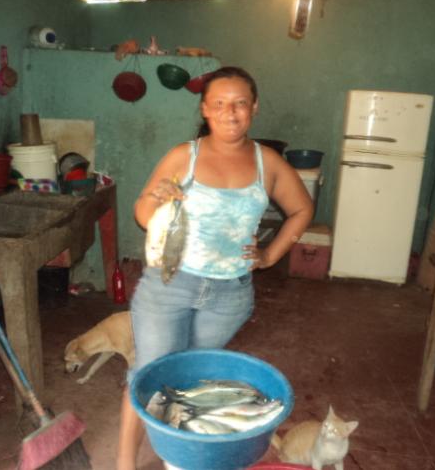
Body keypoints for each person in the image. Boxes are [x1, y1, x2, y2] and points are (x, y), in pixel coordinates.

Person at [116, 66, 314, 470]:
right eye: (219, 104)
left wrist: (270, 256)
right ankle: (124, 463)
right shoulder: (183, 156)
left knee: (190, 378)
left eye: (240, 103)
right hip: (170, 284)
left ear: (254, 108)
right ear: (205, 109)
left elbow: (301, 209)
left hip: (229, 295)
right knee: (148, 373)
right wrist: (156, 197)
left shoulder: (268, 163)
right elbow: (143, 215)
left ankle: (179, 455)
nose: (230, 112)